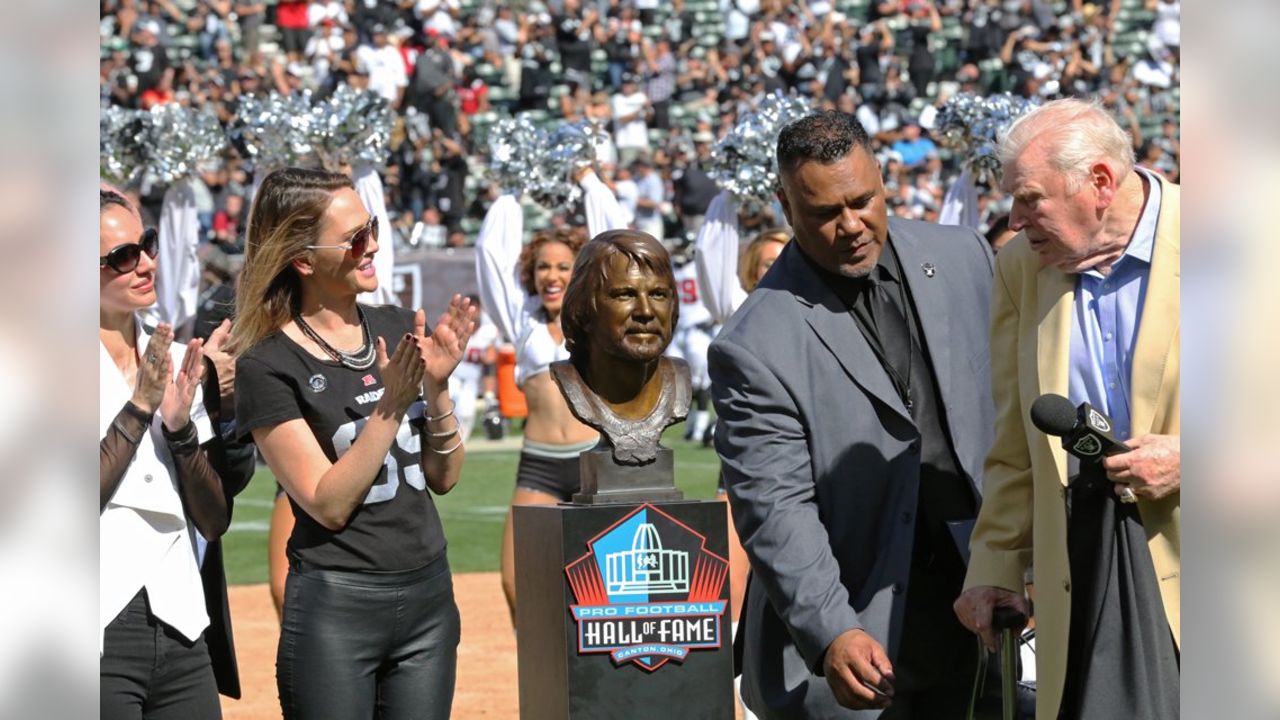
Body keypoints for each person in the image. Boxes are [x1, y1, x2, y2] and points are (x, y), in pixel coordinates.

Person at [708, 111, 996, 718]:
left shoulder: (966, 255)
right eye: (823, 213)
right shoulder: (752, 344)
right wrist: (832, 628)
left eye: (862, 201)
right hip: (858, 627)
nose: (851, 226)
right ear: (787, 208)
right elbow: (775, 507)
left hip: (984, 604)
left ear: (883, 180)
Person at [954, 98, 1181, 720]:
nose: (1015, 217)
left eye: (1029, 198)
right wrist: (997, 562)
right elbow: (1013, 441)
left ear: (1101, 183)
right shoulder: (1020, 269)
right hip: (1079, 560)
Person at [230, 167, 477, 720]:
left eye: (372, 228)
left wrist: (436, 389)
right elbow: (326, 502)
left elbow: (444, 477)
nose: (372, 247)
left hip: (428, 596)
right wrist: (390, 407)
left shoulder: (394, 324)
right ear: (303, 259)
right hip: (337, 605)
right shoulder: (266, 363)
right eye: (354, 238)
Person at [100, 188, 233, 719]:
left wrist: (180, 431)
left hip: (181, 620)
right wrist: (140, 407)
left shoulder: (179, 359)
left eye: (147, 244)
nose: (147, 263)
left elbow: (213, 519)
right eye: (122, 257)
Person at [474, 169, 628, 623]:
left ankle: (603, 684)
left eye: (563, 266)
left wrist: (591, 183)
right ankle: (544, 681)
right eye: (543, 267)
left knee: (606, 589)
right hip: (539, 463)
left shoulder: (597, 314)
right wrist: (511, 192)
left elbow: (617, 243)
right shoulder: (521, 318)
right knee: (517, 580)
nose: (552, 276)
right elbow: (489, 254)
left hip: (594, 462)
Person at [552, 229, 687, 465]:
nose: (645, 311)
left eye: (658, 294)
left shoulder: (680, 381)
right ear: (583, 310)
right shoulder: (572, 379)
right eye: (625, 295)